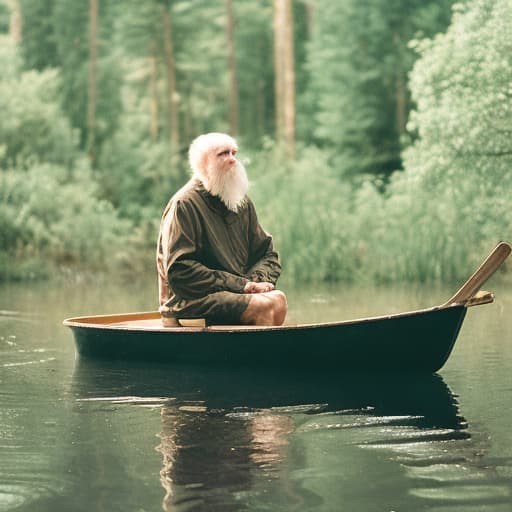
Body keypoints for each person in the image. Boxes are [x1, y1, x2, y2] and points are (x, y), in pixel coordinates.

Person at [157, 132, 287, 326]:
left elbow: (267, 254)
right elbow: (180, 272)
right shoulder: (184, 204)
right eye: (223, 154)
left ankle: (259, 355)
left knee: (278, 299)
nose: (232, 159)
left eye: (234, 153)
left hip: (231, 293)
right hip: (188, 301)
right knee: (263, 306)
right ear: (202, 163)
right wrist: (242, 286)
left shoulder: (240, 202)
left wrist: (254, 283)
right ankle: (259, 356)